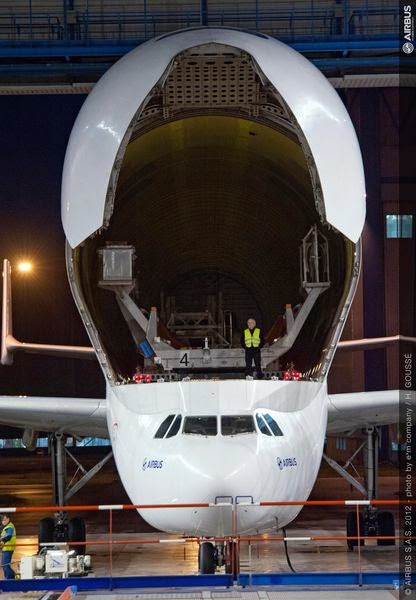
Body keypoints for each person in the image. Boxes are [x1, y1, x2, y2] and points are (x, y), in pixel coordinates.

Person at [1, 514, 16, 579]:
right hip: (6, 548)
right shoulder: (7, 527)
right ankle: (13, 576)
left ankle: (9, 579)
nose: (3, 522)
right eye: (2, 520)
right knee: (5, 564)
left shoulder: (9, 527)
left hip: (8, 548)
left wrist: (1, 539)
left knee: (5, 565)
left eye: (5, 520)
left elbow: (8, 536)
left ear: (8, 519)